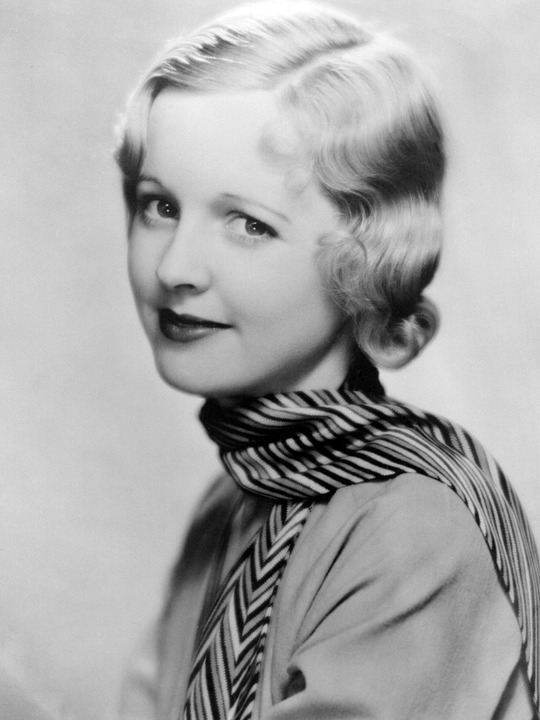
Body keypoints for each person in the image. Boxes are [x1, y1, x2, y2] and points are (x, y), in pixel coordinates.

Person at [115, 2, 540, 718]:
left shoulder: (414, 525)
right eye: (160, 206)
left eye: (249, 224)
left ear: (362, 261)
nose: (175, 269)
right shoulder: (238, 494)